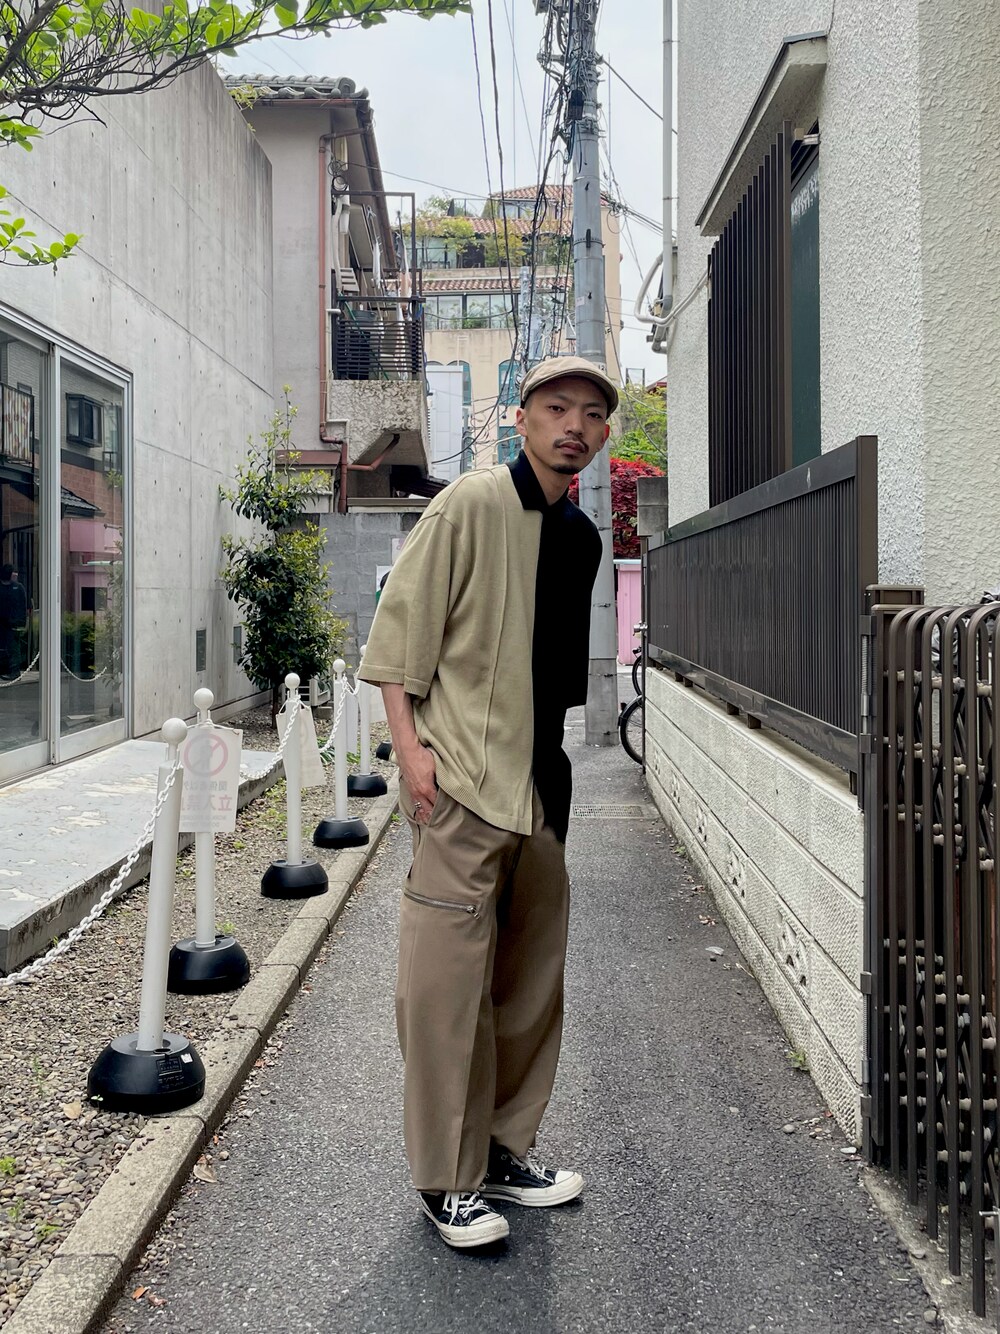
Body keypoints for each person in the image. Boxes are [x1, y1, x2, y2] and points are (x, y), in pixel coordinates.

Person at [359, 355, 618, 1249]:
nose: (574, 425)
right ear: (521, 418)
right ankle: (447, 1178)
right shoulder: (468, 503)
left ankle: (504, 1151)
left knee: (528, 985)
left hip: (540, 787)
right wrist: (411, 752)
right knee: (444, 990)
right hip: (464, 785)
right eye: (557, 407)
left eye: (591, 413)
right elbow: (399, 637)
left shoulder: (581, 538)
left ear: (603, 434)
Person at [0, 563, 29, 680]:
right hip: (4, 622)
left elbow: (23, 606)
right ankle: (9, 670)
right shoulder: (17, 587)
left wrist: (20, 621)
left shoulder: (18, 588)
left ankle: (14, 671)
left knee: (13, 647)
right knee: (9, 647)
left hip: (13, 623)